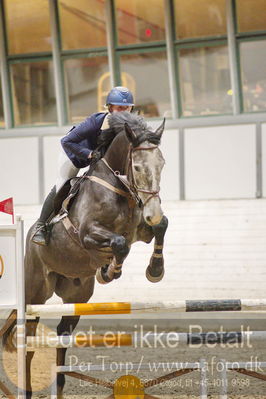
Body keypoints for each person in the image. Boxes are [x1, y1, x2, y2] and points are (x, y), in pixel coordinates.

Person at [31, 86, 134, 246]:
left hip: (97, 160)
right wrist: (89, 154)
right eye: (120, 108)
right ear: (110, 108)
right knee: (62, 184)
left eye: (127, 108)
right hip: (73, 155)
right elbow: (66, 141)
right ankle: (41, 227)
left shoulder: (127, 126)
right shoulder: (96, 121)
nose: (124, 112)